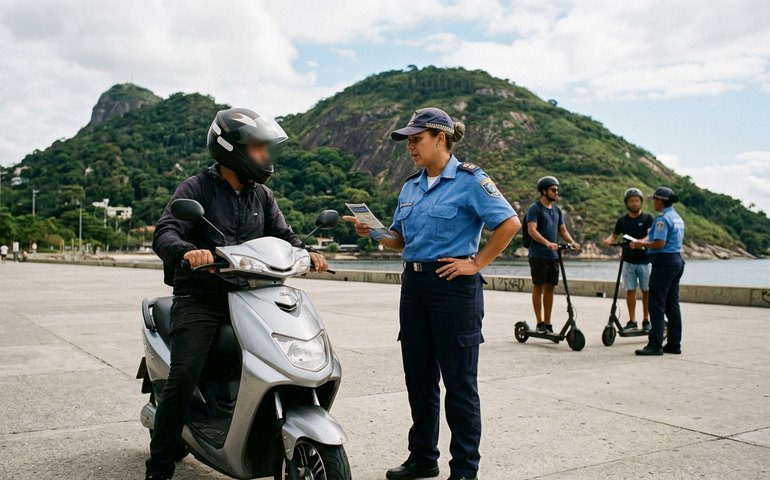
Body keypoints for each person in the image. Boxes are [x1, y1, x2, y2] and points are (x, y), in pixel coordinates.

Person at [145, 107, 328, 480]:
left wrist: (307, 252)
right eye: (259, 148)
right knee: (184, 377)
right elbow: (165, 232)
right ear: (232, 149)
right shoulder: (196, 189)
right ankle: (159, 467)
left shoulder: (262, 195)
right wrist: (185, 252)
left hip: (254, 296)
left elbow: (284, 235)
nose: (265, 156)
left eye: (266, 148)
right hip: (203, 299)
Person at [344, 107, 520, 480]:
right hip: (415, 287)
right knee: (419, 380)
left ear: (440, 138)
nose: (410, 147)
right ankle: (423, 457)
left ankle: (464, 470)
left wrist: (476, 263)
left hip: (454, 289)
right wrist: (371, 231)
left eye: (416, 139)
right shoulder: (410, 186)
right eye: (407, 141)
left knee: (459, 385)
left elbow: (509, 222)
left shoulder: (471, 180)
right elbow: (399, 240)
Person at [630, 187, 685, 356]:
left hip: (664, 262)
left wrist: (641, 245)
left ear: (660, 201)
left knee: (656, 304)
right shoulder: (676, 217)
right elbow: (652, 236)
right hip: (677, 261)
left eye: (654, 200)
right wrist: (642, 240)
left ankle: (655, 344)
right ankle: (674, 344)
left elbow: (659, 243)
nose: (653, 202)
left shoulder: (662, 218)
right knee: (672, 304)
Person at [526, 176, 580, 333]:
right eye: (553, 190)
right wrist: (547, 243)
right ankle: (539, 323)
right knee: (539, 287)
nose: (556, 193)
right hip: (538, 254)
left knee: (550, 289)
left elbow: (562, 230)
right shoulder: (534, 208)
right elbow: (532, 230)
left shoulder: (557, 210)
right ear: (544, 191)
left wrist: (572, 242)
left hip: (553, 256)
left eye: (557, 190)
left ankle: (548, 323)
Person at [603, 188, 654, 332]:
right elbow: (614, 235)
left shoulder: (648, 218)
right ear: (627, 203)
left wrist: (641, 242)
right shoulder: (622, 220)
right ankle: (632, 320)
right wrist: (608, 240)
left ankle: (646, 320)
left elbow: (650, 236)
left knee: (646, 292)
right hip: (628, 261)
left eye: (637, 201)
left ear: (641, 202)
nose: (634, 203)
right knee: (630, 291)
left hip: (645, 261)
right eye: (631, 201)